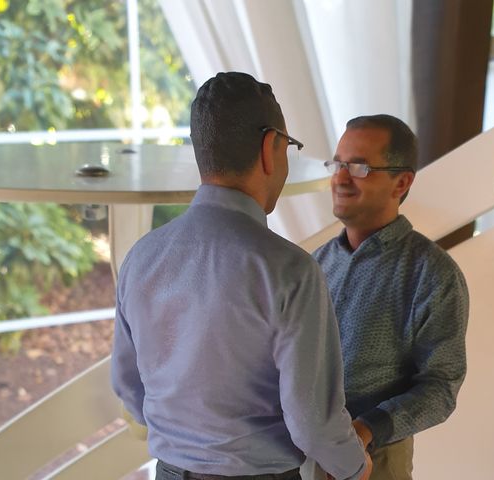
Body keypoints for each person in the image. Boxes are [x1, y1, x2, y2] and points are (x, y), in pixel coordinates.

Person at [110, 72, 372, 480]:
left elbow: (129, 389)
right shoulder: (289, 272)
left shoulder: (141, 258)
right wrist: (355, 467)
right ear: (271, 148)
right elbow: (311, 421)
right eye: (288, 147)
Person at [311, 114, 469, 480]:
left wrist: (366, 431)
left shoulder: (433, 274)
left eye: (360, 167)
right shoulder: (312, 265)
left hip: (374, 461)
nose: (340, 177)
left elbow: (441, 388)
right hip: (296, 457)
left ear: (402, 181)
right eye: (338, 164)